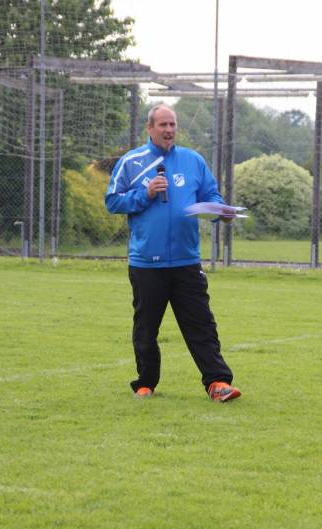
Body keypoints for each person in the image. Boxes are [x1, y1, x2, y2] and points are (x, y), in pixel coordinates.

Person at [105, 103, 241, 402]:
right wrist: (145, 193)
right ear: (150, 128)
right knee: (146, 328)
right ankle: (145, 383)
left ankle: (218, 382)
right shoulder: (131, 162)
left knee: (201, 324)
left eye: (172, 125)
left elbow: (210, 196)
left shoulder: (193, 160)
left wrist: (221, 212)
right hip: (146, 262)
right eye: (163, 125)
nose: (169, 130)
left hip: (186, 260)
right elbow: (113, 201)